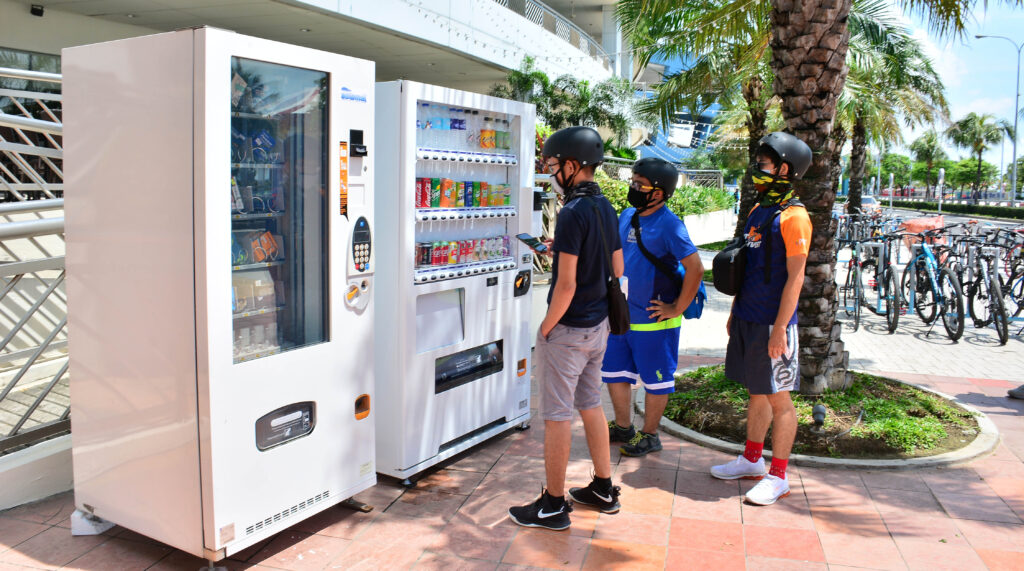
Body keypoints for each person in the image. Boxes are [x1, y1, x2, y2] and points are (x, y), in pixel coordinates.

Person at [508, 126, 624, 530]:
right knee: (590, 404)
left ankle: (553, 505)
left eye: (554, 165)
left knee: (556, 416)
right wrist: (564, 248)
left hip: (569, 330)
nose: (552, 173)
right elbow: (617, 266)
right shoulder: (605, 207)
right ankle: (604, 489)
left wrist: (546, 327)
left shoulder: (573, 212)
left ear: (573, 165)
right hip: (598, 326)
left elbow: (567, 285)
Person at [710, 132, 813, 506]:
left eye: (764, 164)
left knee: (779, 399)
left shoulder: (795, 217)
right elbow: (747, 267)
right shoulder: (758, 211)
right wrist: (735, 311)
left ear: (784, 169)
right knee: (757, 392)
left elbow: (796, 278)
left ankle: (779, 476)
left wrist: (781, 328)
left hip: (774, 323)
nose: (757, 169)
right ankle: (752, 459)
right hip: (748, 317)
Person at [602, 157, 704, 456]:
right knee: (615, 373)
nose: (633, 188)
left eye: (640, 184)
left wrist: (676, 308)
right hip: (621, 315)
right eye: (632, 182)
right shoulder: (627, 215)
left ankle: (650, 435)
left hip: (654, 321)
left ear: (659, 193)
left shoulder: (670, 225)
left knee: (655, 379)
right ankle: (623, 427)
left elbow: (696, 268)